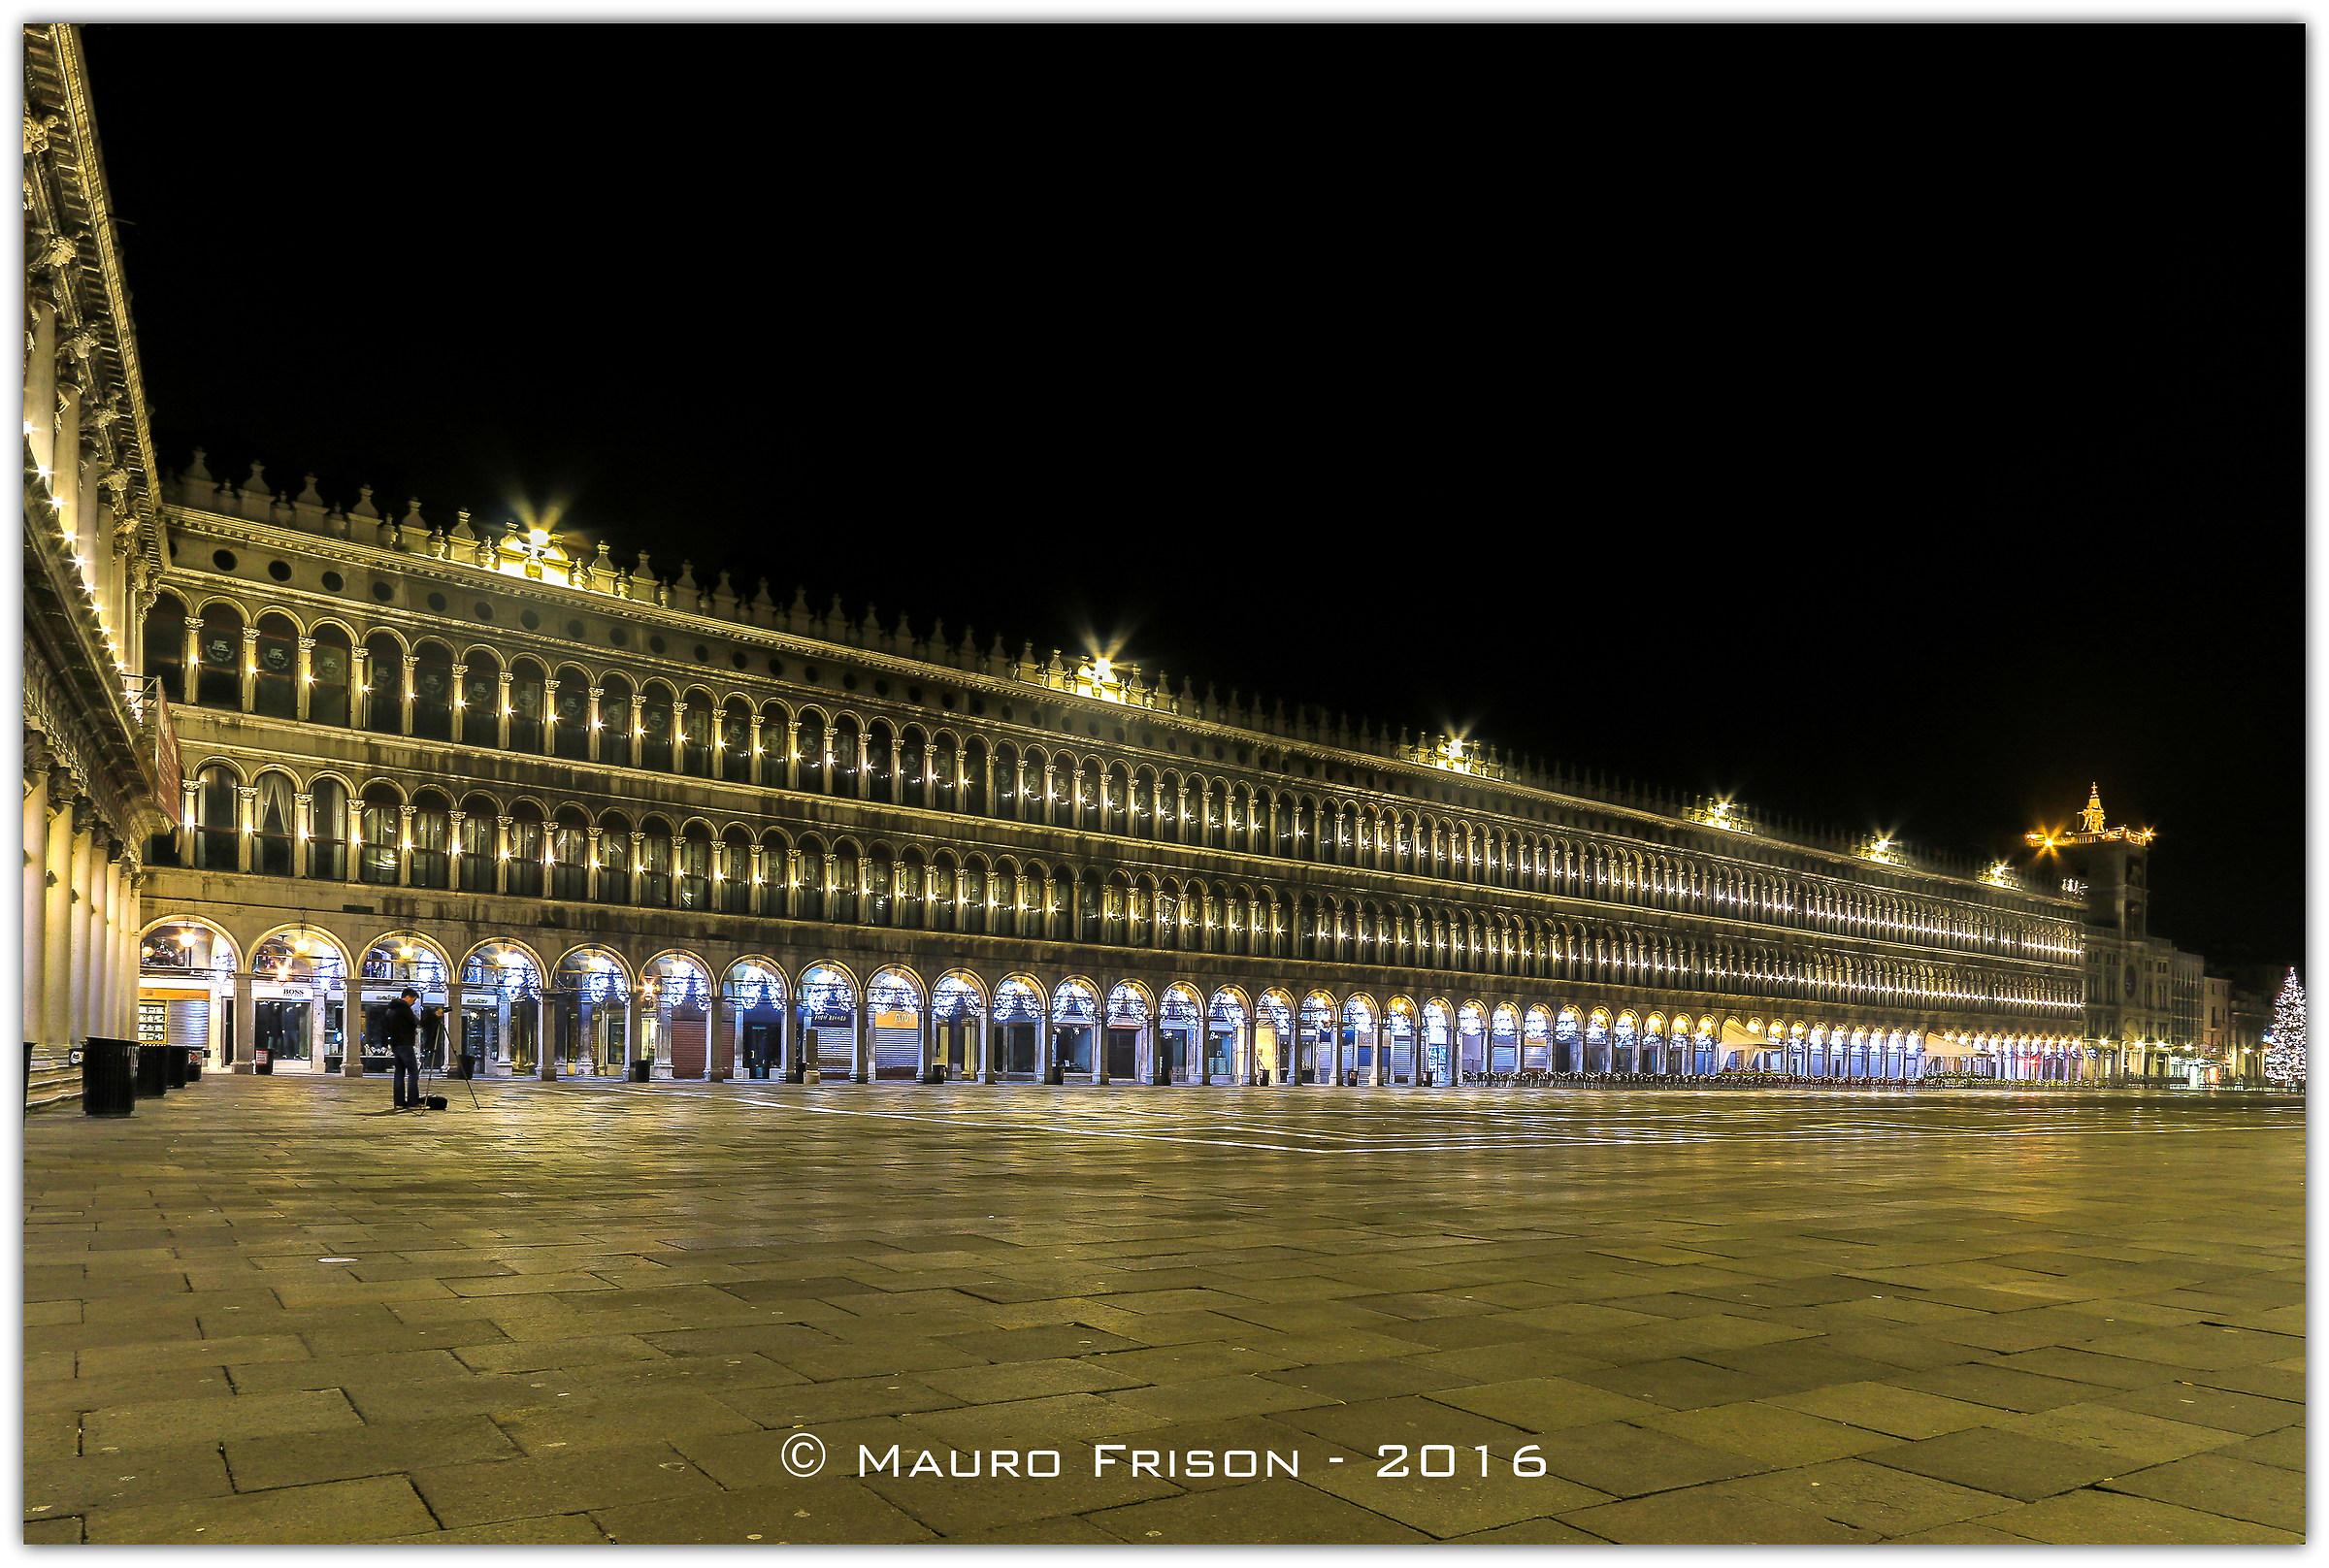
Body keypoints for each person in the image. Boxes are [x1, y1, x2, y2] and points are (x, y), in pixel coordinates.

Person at [384, 987, 421, 1110]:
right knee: (413, 1073)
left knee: (399, 1073)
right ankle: (413, 1101)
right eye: (414, 1000)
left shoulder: (391, 1009)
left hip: (396, 1044)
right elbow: (414, 1023)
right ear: (408, 997)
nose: (413, 1003)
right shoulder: (405, 1009)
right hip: (405, 1044)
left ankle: (399, 1102)